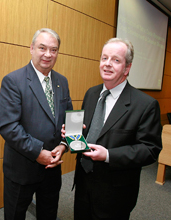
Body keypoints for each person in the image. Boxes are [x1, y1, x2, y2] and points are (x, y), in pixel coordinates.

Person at [65, 38, 162, 220]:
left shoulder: (146, 105)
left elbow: (150, 150)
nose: (107, 64)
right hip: (83, 184)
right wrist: (72, 134)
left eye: (116, 60)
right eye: (104, 58)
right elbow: (90, 131)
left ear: (127, 68)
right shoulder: (91, 93)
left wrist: (108, 155)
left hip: (115, 193)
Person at [0, 28, 73, 220]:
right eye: (42, 48)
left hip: (53, 168)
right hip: (22, 169)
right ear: (31, 48)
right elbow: (8, 126)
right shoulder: (13, 81)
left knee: (48, 214)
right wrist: (39, 153)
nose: (48, 54)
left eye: (54, 50)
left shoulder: (62, 82)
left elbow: (69, 119)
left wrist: (64, 146)